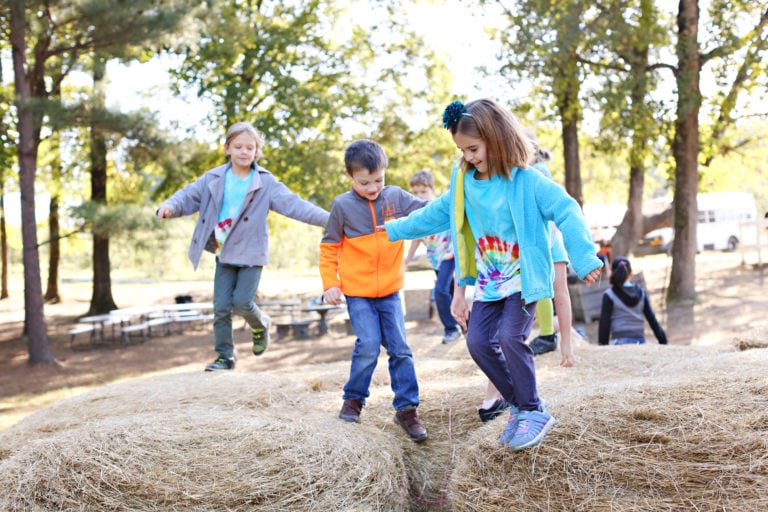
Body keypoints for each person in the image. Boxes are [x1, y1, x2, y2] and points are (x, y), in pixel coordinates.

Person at [385, 99, 602, 451]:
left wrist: (585, 257)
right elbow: (435, 213)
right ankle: (519, 405)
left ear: (497, 137)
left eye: (473, 148)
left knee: (509, 336)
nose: (469, 156)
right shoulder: (465, 183)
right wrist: (393, 230)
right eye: (463, 150)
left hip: (523, 279)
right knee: (478, 342)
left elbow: (567, 209)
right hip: (489, 282)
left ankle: (533, 409)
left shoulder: (528, 181)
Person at [156, 121, 329, 371]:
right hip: (223, 251)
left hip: (251, 252)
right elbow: (188, 195)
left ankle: (261, 325)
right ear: (227, 148)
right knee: (221, 308)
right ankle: (225, 356)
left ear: (257, 151)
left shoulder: (265, 182)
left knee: (242, 303)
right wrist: (171, 207)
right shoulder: (213, 178)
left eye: (250, 147)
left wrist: (329, 218)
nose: (244, 152)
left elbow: (295, 205)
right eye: (238, 146)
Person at [319, 139, 429, 442]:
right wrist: (330, 283)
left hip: (391, 290)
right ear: (350, 176)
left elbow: (427, 211)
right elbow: (329, 248)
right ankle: (354, 399)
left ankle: (407, 409)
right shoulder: (342, 206)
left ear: (385, 172)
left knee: (400, 348)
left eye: (378, 180)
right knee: (368, 344)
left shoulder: (395, 196)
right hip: (358, 291)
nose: (372, 188)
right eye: (364, 182)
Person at [404, 169, 463, 344]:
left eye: (424, 191)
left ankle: (451, 329)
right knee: (451, 292)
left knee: (440, 291)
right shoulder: (417, 213)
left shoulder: (440, 207)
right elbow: (416, 238)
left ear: (432, 190)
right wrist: (408, 258)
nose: (420, 196)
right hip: (436, 260)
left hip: (451, 256)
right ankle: (467, 323)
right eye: (415, 193)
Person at [598, 257, 668, 345]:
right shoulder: (641, 293)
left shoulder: (609, 295)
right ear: (631, 273)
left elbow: (605, 323)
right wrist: (663, 341)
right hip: (640, 340)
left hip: (619, 340)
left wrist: (602, 345)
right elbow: (651, 319)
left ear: (612, 273)